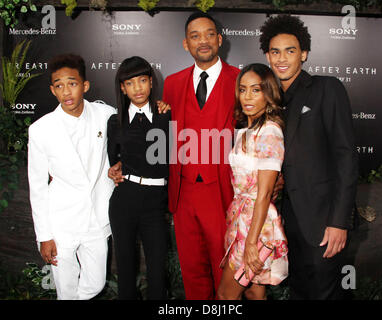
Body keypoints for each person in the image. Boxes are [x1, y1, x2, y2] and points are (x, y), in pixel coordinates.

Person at [259, 15, 359, 299]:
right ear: (267, 55)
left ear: (303, 53)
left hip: (323, 222)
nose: (282, 58)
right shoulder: (270, 101)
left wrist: (339, 221)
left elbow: (346, 158)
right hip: (286, 225)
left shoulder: (327, 89)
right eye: (275, 52)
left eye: (290, 50)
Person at [162, 12, 240, 299]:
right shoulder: (171, 83)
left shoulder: (240, 80)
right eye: (195, 36)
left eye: (209, 34)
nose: (203, 41)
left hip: (223, 191)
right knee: (191, 270)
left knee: (226, 270)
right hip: (183, 192)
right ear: (186, 44)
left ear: (219, 39)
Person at [27, 54, 116, 300]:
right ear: (53, 90)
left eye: (72, 83)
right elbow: (37, 186)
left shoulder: (105, 114)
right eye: (59, 85)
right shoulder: (40, 130)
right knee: (65, 290)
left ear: (84, 85)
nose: (66, 91)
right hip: (60, 223)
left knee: (96, 284)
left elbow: (135, 122)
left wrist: (160, 107)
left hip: (97, 220)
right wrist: (44, 235)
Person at [217, 63, 289, 300]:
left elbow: (264, 194)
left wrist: (250, 243)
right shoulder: (245, 131)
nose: (247, 97)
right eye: (243, 89)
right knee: (254, 291)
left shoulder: (269, 132)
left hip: (255, 227)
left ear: (268, 94)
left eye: (255, 90)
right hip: (241, 219)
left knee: (226, 296)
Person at [107, 56, 170, 300]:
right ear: (123, 88)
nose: (138, 88)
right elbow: (113, 160)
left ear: (151, 82)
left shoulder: (166, 115)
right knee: (125, 268)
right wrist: (115, 168)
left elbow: (172, 157)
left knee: (156, 270)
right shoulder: (116, 122)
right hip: (125, 200)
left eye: (142, 81)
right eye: (130, 83)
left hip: (155, 204)